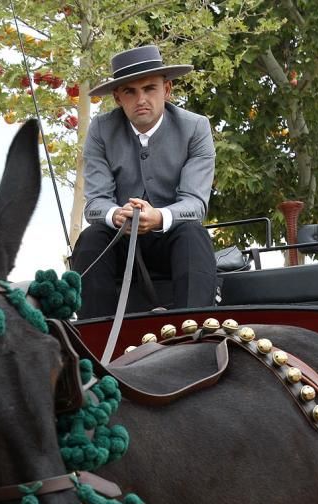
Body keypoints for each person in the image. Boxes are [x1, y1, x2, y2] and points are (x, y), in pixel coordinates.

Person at [71, 45, 217, 318]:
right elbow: (95, 204)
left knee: (193, 234)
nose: (141, 99)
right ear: (117, 97)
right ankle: (93, 341)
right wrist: (118, 215)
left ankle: (194, 333)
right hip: (119, 240)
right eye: (130, 91)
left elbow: (195, 203)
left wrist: (158, 216)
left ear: (167, 90)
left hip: (172, 237)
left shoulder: (196, 127)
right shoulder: (100, 130)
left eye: (150, 88)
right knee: (90, 239)